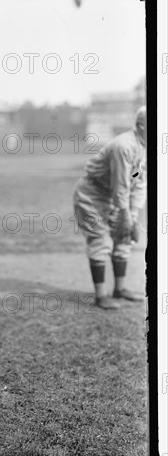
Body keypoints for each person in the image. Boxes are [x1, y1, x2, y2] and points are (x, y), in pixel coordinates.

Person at [73, 106, 147, 310]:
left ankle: (120, 289)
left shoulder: (147, 147)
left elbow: (139, 182)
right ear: (141, 125)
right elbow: (121, 186)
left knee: (124, 236)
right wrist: (125, 214)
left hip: (114, 196)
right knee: (100, 239)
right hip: (93, 194)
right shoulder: (124, 146)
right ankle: (101, 295)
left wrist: (131, 216)